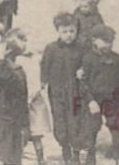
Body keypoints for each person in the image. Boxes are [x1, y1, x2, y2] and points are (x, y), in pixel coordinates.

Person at [41, 12, 89, 165]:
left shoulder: (81, 47)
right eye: (65, 31)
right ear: (58, 31)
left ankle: (75, 153)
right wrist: (43, 82)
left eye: (72, 31)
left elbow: (87, 63)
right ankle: (65, 148)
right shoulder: (51, 48)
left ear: (76, 31)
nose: (69, 35)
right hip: (57, 91)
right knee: (60, 120)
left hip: (75, 90)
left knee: (75, 120)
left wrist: (83, 70)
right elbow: (44, 66)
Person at [79, 24, 119, 165]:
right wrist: (90, 100)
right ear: (94, 40)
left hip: (113, 100)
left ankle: (118, 155)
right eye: (105, 41)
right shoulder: (88, 59)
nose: (109, 45)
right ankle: (90, 157)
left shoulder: (117, 59)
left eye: (111, 41)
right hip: (95, 100)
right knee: (92, 128)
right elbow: (83, 83)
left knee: (114, 125)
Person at [0, 31, 30, 165]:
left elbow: (1, 76)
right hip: (5, 119)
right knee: (5, 156)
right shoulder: (7, 68)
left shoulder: (13, 71)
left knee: (6, 156)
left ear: (8, 52)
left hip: (10, 122)